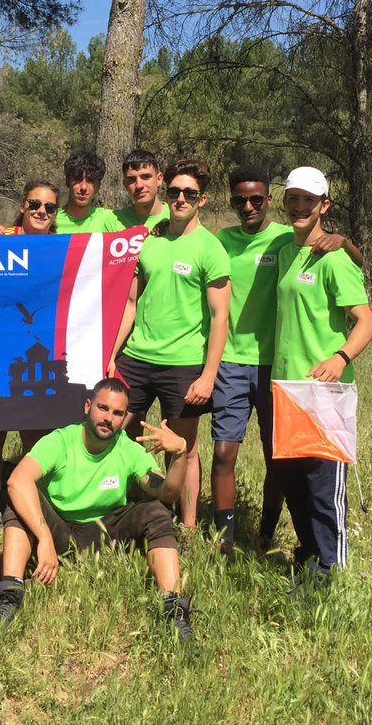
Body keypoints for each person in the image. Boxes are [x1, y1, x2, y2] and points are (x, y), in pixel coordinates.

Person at [211, 166, 362, 552]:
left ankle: (309, 556)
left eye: (308, 201)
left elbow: (359, 289)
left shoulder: (308, 246)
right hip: (263, 371)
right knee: (268, 464)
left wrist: (341, 240)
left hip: (303, 378)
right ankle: (281, 550)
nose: (248, 205)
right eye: (293, 199)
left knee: (303, 470)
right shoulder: (255, 244)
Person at [0, 378, 195, 643]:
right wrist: (45, 538)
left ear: (124, 418)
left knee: (156, 511)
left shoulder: (129, 449)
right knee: (19, 501)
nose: (109, 418)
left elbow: (166, 491)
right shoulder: (60, 441)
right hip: (61, 528)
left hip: (109, 534)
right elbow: (17, 481)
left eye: (118, 413)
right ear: (88, 406)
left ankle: (174, 609)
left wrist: (179, 455)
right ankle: (9, 596)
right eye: (103, 408)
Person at [109, 159, 231, 530]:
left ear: (202, 200)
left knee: (183, 448)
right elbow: (130, 303)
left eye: (189, 193)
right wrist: (112, 356)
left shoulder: (210, 248)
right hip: (136, 357)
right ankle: (129, 506)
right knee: (118, 431)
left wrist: (209, 375)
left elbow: (220, 318)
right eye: (174, 192)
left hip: (183, 363)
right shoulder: (149, 238)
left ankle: (187, 525)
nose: (180, 199)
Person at [273, 166, 372, 575]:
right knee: (295, 485)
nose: (300, 207)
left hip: (323, 392)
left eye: (309, 201)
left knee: (323, 487)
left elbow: (366, 322)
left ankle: (335, 574)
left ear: (324, 206)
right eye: (293, 199)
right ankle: (311, 561)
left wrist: (340, 358)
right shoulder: (285, 249)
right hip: (286, 387)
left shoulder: (334, 259)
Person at [0, 179, 60, 538]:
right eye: (35, 204)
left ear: (56, 214)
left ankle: (32, 502)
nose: (42, 211)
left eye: (50, 207)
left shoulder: (61, 247)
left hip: (38, 350)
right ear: (23, 205)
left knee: (35, 432)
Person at [55, 151, 122, 234]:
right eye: (78, 179)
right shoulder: (51, 220)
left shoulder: (108, 219)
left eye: (90, 181)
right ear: (67, 182)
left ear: (98, 186)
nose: (83, 187)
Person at [115, 149, 170, 230]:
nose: (139, 185)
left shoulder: (177, 217)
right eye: (131, 179)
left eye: (146, 177)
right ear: (125, 185)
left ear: (159, 179)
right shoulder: (115, 220)